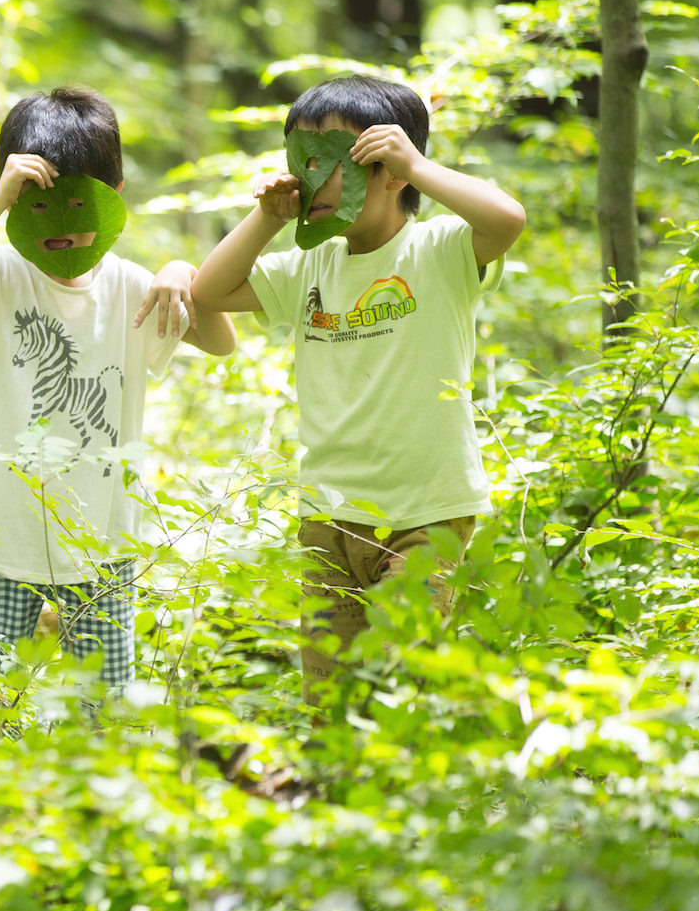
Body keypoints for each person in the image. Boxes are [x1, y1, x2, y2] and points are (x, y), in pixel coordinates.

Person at [190, 74, 525, 690]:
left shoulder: (440, 250)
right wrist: (266, 218)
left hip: (428, 512)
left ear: (388, 170)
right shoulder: (310, 266)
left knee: (398, 682)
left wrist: (418, 165)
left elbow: (506, 218)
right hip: (329, 516)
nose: (312, 180)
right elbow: (207, 292)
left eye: (331, 163)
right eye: (300, 164)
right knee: (331, 699)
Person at [0, 87, 235, 702]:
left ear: (112, 199)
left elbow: (221, 342)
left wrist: (181, 271)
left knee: (105, 702)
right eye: (34, 204)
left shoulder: (131, 287)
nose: (59, 229)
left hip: (101, 537)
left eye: (76, 203)